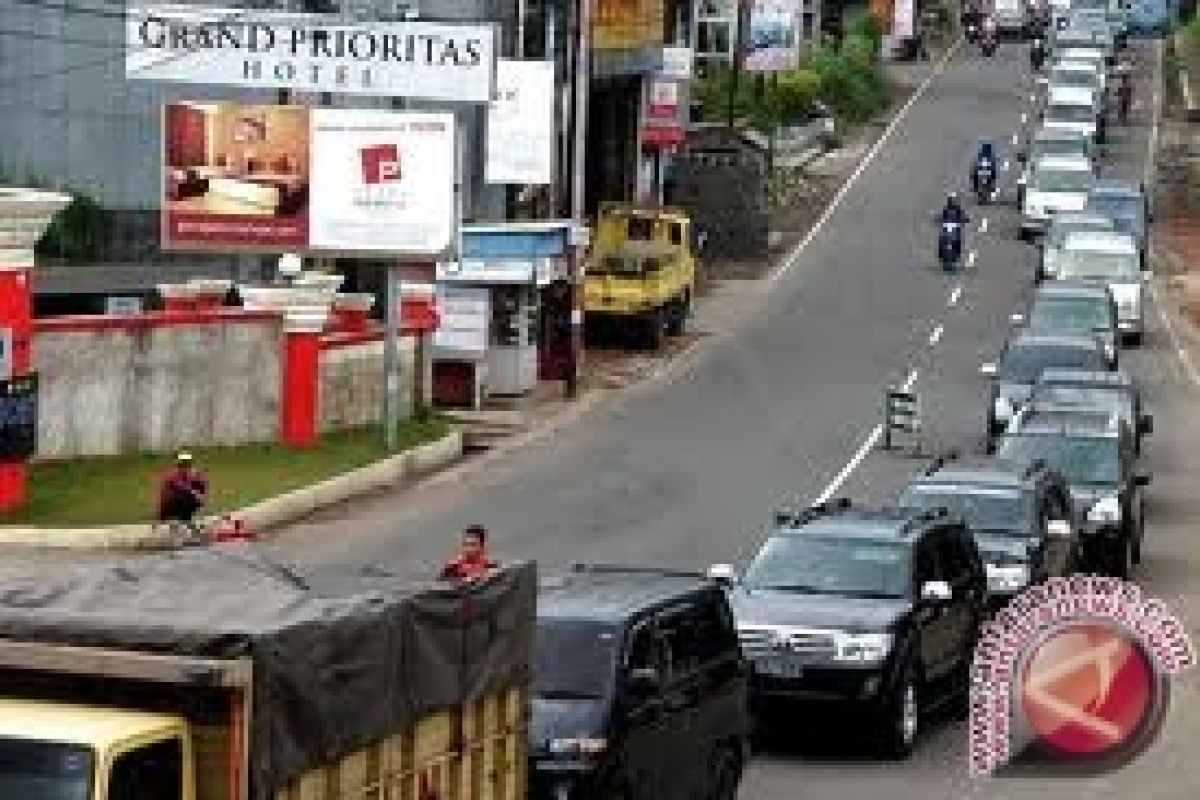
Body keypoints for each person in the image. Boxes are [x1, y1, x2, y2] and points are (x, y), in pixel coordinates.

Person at [157, 452, 208, 524]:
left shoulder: (195, 475)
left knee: (190, 497)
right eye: (182, 464)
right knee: (186, 495)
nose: (185, 466)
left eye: (187, 464)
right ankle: (181, 519)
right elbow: (178, 489)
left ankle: (186, 519)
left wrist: (199, 497)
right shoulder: (172, 476)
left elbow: (202, 490)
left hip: (187, 503)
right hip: (172, 505)